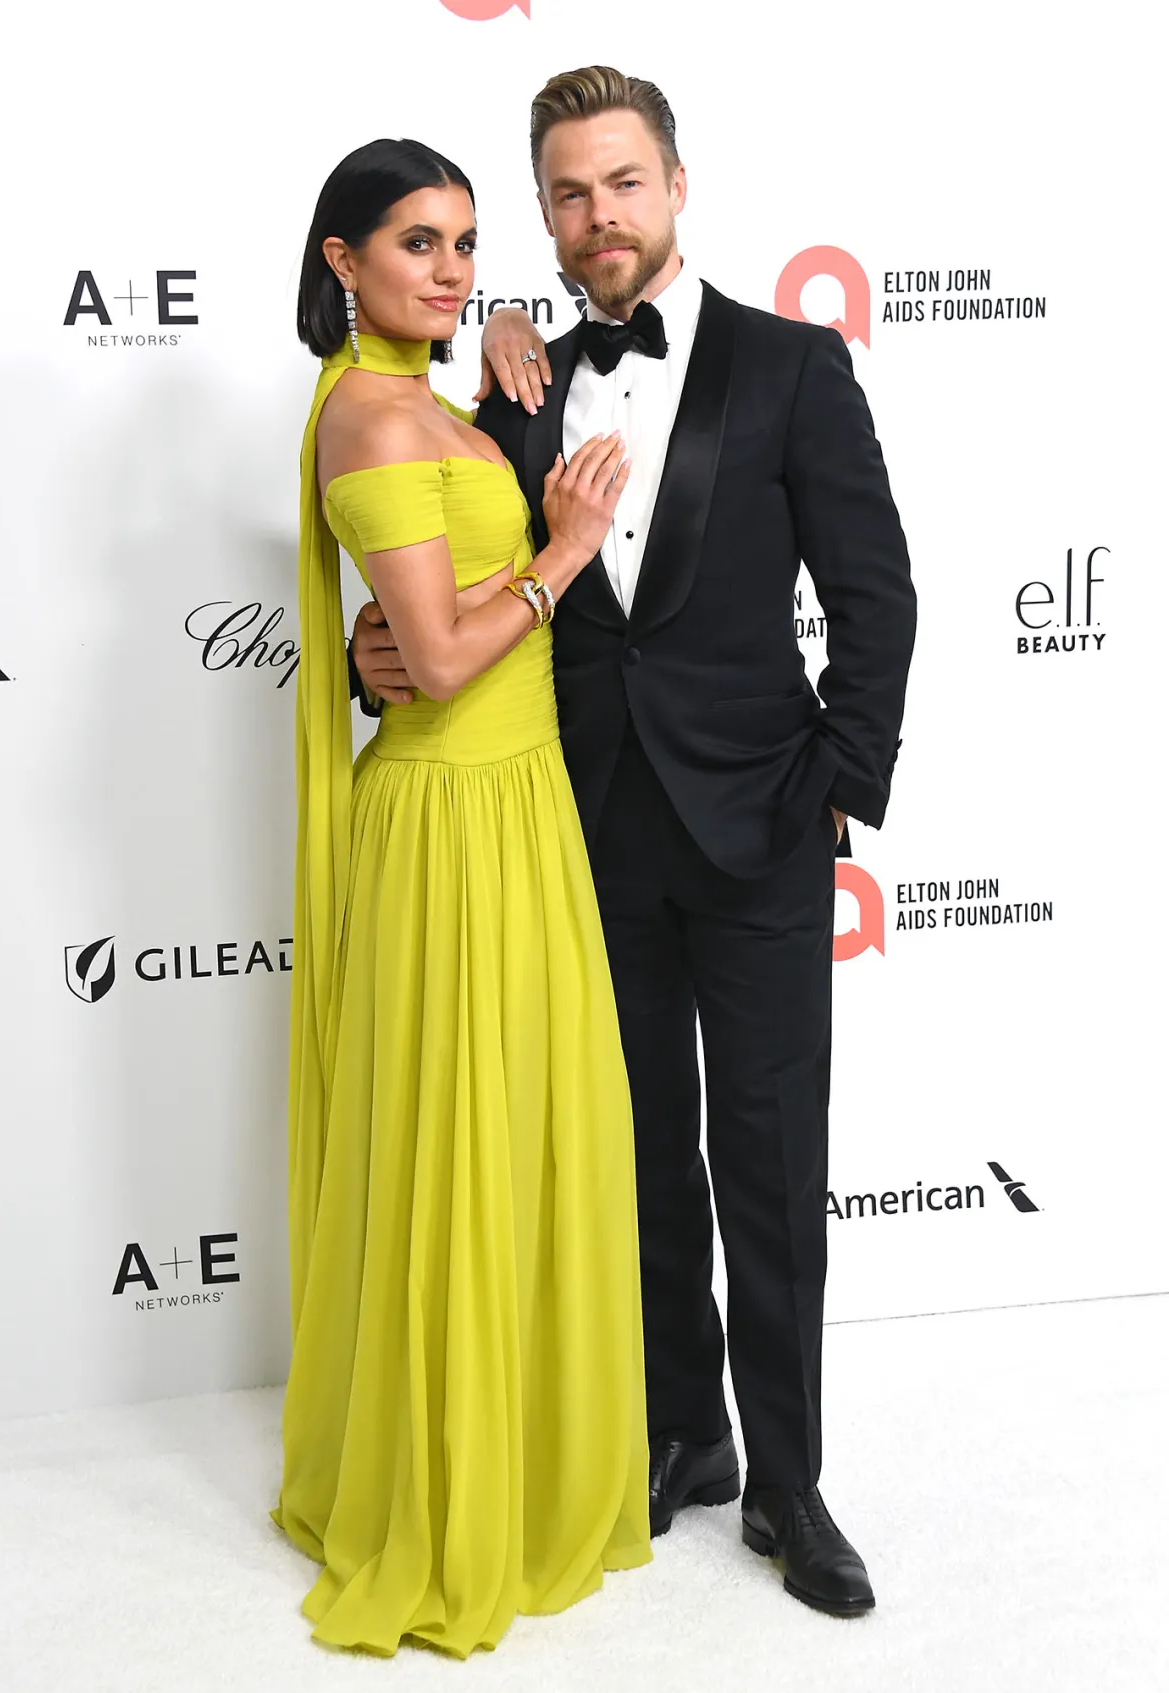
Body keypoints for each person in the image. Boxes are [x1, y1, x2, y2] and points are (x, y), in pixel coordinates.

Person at [353, 69, 917, 1619]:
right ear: (545, 215)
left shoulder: (792, 365)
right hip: (581, 832)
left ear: (674, 185)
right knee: (639, 1154)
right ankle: (686, 1431)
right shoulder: (515, 389)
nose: (597, 215)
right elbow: (449, 584)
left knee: (770, 1162)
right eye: (567, 193)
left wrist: (837, 787)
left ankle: (792, 1484)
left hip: (760, 834)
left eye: (621, 182)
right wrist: (366, 662)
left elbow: (876, 595)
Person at [271, 137, 651, 1659]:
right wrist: (564, 551)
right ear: (342, 260)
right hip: (447, 825)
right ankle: (446, 1487)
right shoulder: (369, 414)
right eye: (415, 242)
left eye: (468, 243)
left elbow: (421, 626)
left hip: (519, 803)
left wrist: (503, 351)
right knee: (457, 1148)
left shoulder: (428, 399)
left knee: (518, 1137)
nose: (449, 267)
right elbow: (429, 660)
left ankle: (519, 1450)